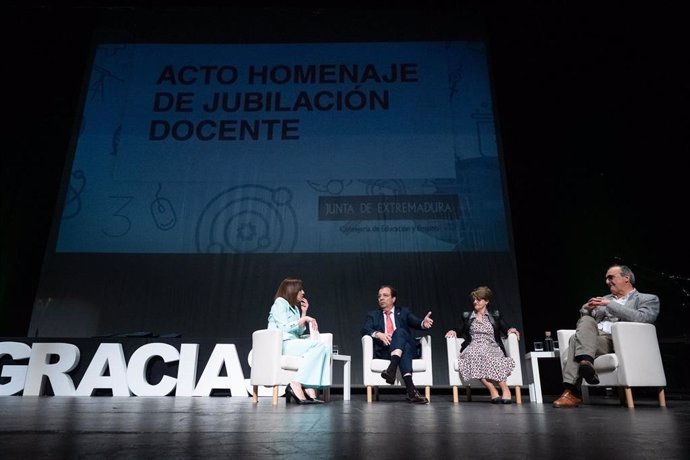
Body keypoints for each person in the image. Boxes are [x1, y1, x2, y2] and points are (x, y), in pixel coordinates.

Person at [553, 264, 660, 408]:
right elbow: (589, 322)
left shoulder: (648, 299)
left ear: (626, 278)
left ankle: (571, 392)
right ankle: (586, 362)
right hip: (598, 338)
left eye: (611, 277)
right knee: (584, 321)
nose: (607, 282)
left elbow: (643, 318)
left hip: (621, 340)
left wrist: (611, 305)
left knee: (574, 339)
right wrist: (587, 310)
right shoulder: (604, 298)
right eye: (606, 279)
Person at [445, 286, 520, 404]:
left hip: (492, 346)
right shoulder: (467, 316)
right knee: (476, 354)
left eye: (478, 299)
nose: (475, 302)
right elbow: (458, 329)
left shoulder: (495, 315)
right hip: (473, 346)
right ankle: (492, 388)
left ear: (486, 301)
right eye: (474, 299)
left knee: (486, 355)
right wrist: (453, 331)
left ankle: (504, 388)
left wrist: (511, 330)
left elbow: (505, 328)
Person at [360, 285, 434, 404]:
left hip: (406, 350)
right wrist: (378, 334)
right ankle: (411, 391)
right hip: (386, 351)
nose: (381, 298)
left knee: (399, 332)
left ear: (393, 299)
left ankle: (391, 369)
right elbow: (365, 329)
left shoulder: (404, 312)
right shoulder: (373, 315)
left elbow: (416, 322)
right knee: (405, 347)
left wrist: (423, 324)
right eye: (379, 296)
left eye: (385, 295)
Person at [267, 277, 331, 404]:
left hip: (292, 342)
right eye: (300, 289)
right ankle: (297, 384)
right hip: (282, 344)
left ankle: (308, 386)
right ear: (292, 290)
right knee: (318, 347)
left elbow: (298, 332)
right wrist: (304, 319)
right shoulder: (280, 303)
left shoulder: (294, 308)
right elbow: (284, 327)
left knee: (326, 348)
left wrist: (303, 313)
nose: (303, 292)